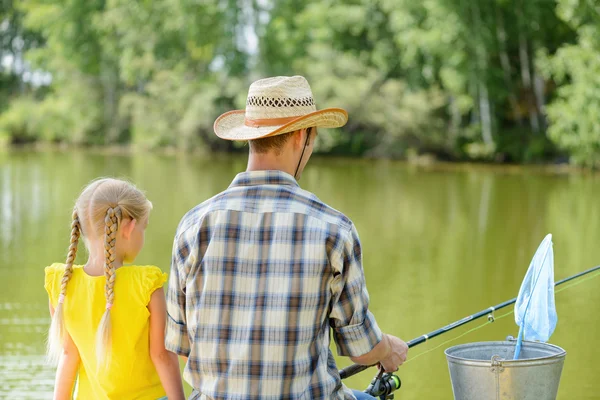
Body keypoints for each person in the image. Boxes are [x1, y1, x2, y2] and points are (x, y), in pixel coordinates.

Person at [166, 76, 408, 400]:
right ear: (300, 136)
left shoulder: (193, 226)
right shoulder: (334, 230)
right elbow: (361, 349)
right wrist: (388, 349)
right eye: (314, 136)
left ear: (250, 137)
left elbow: (183, 348)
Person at [44, 178, 185, 400]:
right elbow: (161, 355)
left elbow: (69, 354)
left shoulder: (62, 284)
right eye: (143, 227)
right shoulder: (145, 284)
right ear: (128, 227)